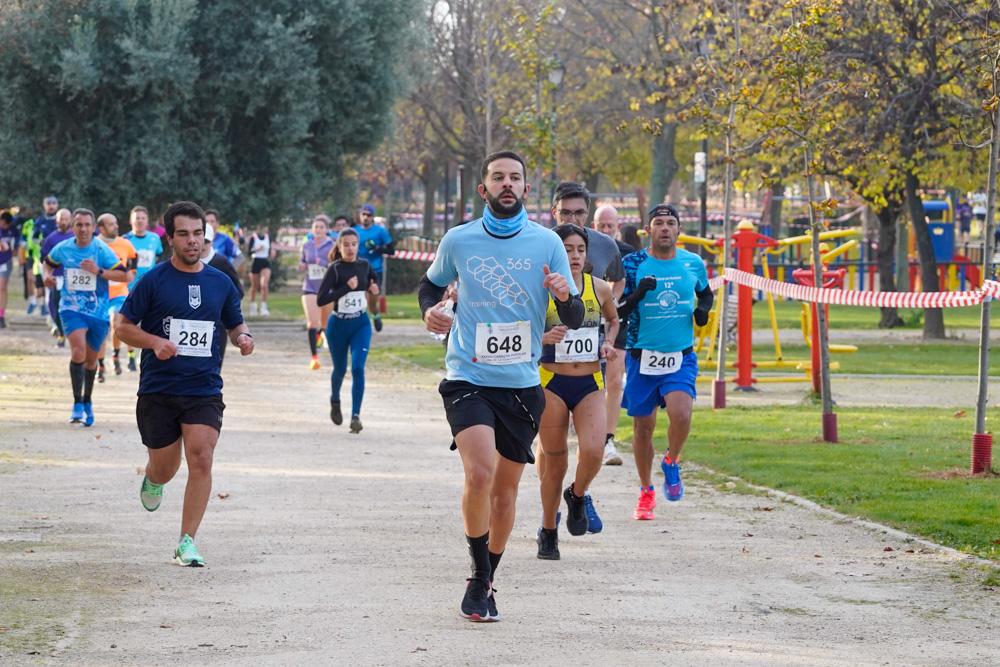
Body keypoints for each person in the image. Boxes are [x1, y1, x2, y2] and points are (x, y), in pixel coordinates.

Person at [419, 150, 584, 622]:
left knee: (506, 494)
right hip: (468, 378)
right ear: (483, 188)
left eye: (515, 178)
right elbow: (430, 287)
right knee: (480, 474)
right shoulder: (459, 240)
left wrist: (564, 295)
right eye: (498, 178)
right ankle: (476, 574)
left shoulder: (547, 243)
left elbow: (573, 316)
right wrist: (431, 311)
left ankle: (489, 575)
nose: (506, 184)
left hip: (521, 385)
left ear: (526, 190)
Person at [115, 201, 253, 567]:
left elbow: (234, 322)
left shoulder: (220, 282)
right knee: (166, 467)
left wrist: (243, 338)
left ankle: (186, 541)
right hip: (158, 389)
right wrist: (155, 342)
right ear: (170, 239)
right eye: (184, 234)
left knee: (202, 458)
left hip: (203, 388)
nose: (193, 241)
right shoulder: (153, 280)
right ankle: (153, 478)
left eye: (198, 233)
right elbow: (123, 327)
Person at [617, 204, 713, 520]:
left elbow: (706, 294)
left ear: (678, 230)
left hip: (680, 355)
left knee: (681, 414)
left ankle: (671, 460)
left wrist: (702, 312)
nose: (665, 228)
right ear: (649, 230)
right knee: (643, 428)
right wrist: (638, 294)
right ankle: (646, 492)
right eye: (658, 223)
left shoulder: (693, 262)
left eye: (671, 223)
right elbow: (617, 312)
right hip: (641, 357)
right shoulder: (633, 264)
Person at [536, 184, 625, 523]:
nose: (574, 255)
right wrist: (543, 337)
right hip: (549, 376)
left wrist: (607, 340)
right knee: (551, 455)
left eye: (579, 249)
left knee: (593, 449)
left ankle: (577, 495)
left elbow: (614, 300)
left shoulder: (603, 253)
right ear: (553, 212)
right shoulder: (539, 252)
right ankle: (549, 519)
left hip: (589, 375)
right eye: (565, 213)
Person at [42, 209, 130, 426]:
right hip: (70, 309)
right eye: (79, 225)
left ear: (93, 228)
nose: (83, 229)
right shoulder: (63, 248)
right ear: (73, 227)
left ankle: (88, 401)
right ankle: (76, 403)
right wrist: (46, 278)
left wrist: (99, 271)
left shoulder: (101, 249)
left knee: (91, 360)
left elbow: (125, 274)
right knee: (78, 351)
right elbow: (48, 264)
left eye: (87, 225)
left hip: (98, 311)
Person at [316, 228, 380, 433]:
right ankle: (335, 400)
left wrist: (374, 289)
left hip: (360, 323)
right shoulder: (335, 269)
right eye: (346, 244)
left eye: (354, 244)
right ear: (339, 246)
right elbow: (321, 299)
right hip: (338, 326)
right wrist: (346, 288)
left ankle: (355, 416)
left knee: (358, 368)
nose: (351, 248)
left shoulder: (364, 265)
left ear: (357, 245)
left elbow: (374, 279)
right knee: (341, 369)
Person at [593, 205, 639, 466]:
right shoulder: (581, 248)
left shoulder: (627, 254)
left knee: (613, 380)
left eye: (611, 226)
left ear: (618, 227)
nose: (606, 230)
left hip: (616, 322)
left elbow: (628, 293)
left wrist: (612, 303)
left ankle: (607, 439)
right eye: (602, 225)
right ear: (594, 224)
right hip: (584, 323)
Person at [95, 213, 136, 382]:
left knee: (115, 322)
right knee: (100, 330)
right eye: (111, 224)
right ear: (102, 228)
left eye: (116, 223)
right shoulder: (94, 244)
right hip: (100, 295)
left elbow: (134, 260)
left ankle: (116, 356)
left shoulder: (125, 244)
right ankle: (100, 364)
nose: (116, 226)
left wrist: (132, 273)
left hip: (120, 292)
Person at [123, 206, 165, 370]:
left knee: (150, 322)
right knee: (129, 324)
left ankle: (146, 354)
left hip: (150, 289)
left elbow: (160, 256)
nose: (139, 221)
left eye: (142, 218)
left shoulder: (155, 238)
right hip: (129, 288)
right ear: (131, 220)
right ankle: (131, 355)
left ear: (147, 221)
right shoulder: (125, 240)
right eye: (136, 218)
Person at [201, 225, 244, 369]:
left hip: (216, 326)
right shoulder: (185, 264)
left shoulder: (222, 263)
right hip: (190, 325)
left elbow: (237, 292)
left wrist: (224, 309)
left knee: (214, 368)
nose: (203, 246)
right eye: (200, 240)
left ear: (212, 240)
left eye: (206, 241)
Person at [301, 216, 336, 369]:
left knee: (325, 323)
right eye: (316, 227)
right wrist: (302, 265)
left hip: (327, 288)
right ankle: (314, 357)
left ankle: (322, 333)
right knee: (312, 322)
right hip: (309, 286)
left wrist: (322, 263)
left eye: (322, 227)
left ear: (327, 229)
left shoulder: (332, 245)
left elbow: (336, 264)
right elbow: (302, 261)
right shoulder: (307, 245)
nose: (318, 230)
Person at [353, 204, 394, 332]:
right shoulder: (354, 231)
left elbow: (391, 250)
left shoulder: (380, 231)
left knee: (372, 300)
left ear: (373, 217)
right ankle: (361, 325)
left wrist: (376, 248)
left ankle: (375, 315)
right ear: (360, 216)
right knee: (360, 299)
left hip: (375, 270)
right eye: (363, 214)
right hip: (358, 270)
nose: (366, 217)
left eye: (369, 215)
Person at [39, 209, 75, 344]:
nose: (64, 222)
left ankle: (73, 332)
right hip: (58, 277)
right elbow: (44, 259)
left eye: (66, 219)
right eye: (61, 219)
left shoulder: (75, 236)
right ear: (56, 220)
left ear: (70, 220)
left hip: (74, 277)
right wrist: (47, 275)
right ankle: (61, 333)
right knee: (57, 304)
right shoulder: (51, 238)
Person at [28, 195, 59, 316]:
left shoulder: (61, 219)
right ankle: (49, 313)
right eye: (48, 203)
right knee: (47, 287)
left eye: (53, 203)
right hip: (44, 258)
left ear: (57, 205)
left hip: (61, 258)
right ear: (45, 206)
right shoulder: (40, 221)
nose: (51, 206)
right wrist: (40, 242)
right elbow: (33, 237)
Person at [247, 225, 274, 316]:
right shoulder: (253, 238)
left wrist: (272, 253)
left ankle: (263, 306)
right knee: (254, 286)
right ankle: (253, 306)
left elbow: (269, 250)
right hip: (255, 261)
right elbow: (249, 252)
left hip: (265, 261)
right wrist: (257, 250)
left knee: (264, 284)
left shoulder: (268, 238)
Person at [0, 211, 19, 328]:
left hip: (5, 261)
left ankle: (1, 315)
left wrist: (15, 248)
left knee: (2, 286)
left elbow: (16, 241)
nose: (4, 226)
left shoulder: (13, 230)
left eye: (6, 224)